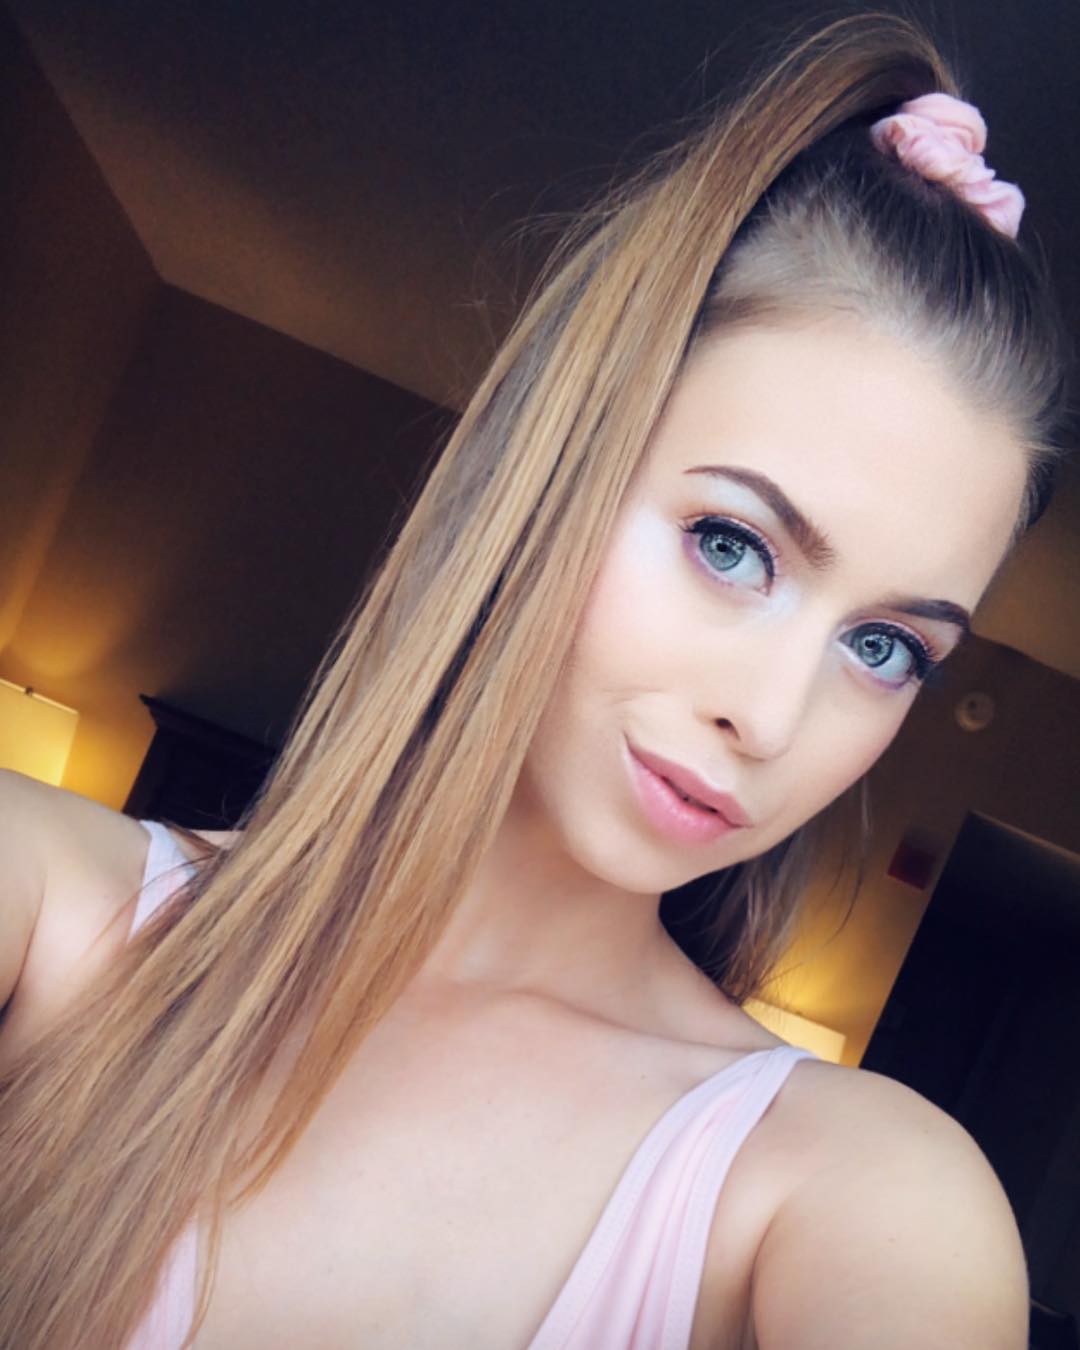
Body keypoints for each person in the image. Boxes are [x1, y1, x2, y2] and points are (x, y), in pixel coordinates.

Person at [0, 13, 1071, 1350]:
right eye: (731, 545)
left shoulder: (860, 1197)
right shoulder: (54, 913)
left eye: (885, 646)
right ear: (558, 461)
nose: (770, 718)